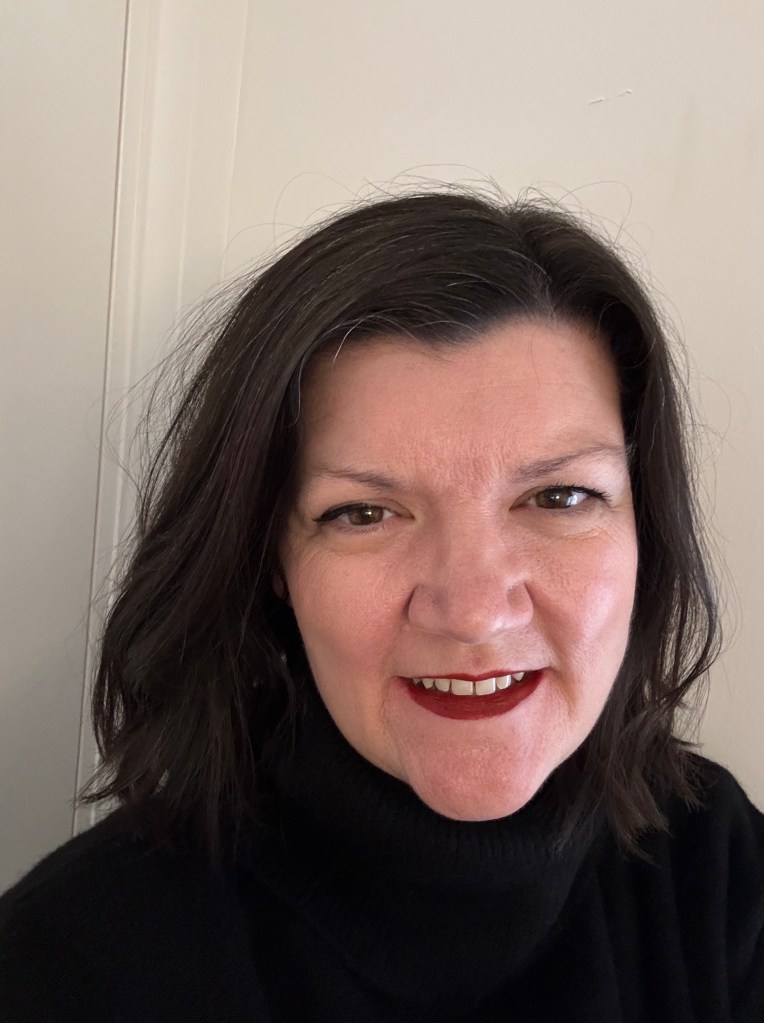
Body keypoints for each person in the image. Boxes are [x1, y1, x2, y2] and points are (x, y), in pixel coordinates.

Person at [0, 189, 762, 1022]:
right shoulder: (75, 962)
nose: (473, 611)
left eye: (561, 496)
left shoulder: (716, 870)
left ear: (645, 528)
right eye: (362, 513)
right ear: (272, 561)